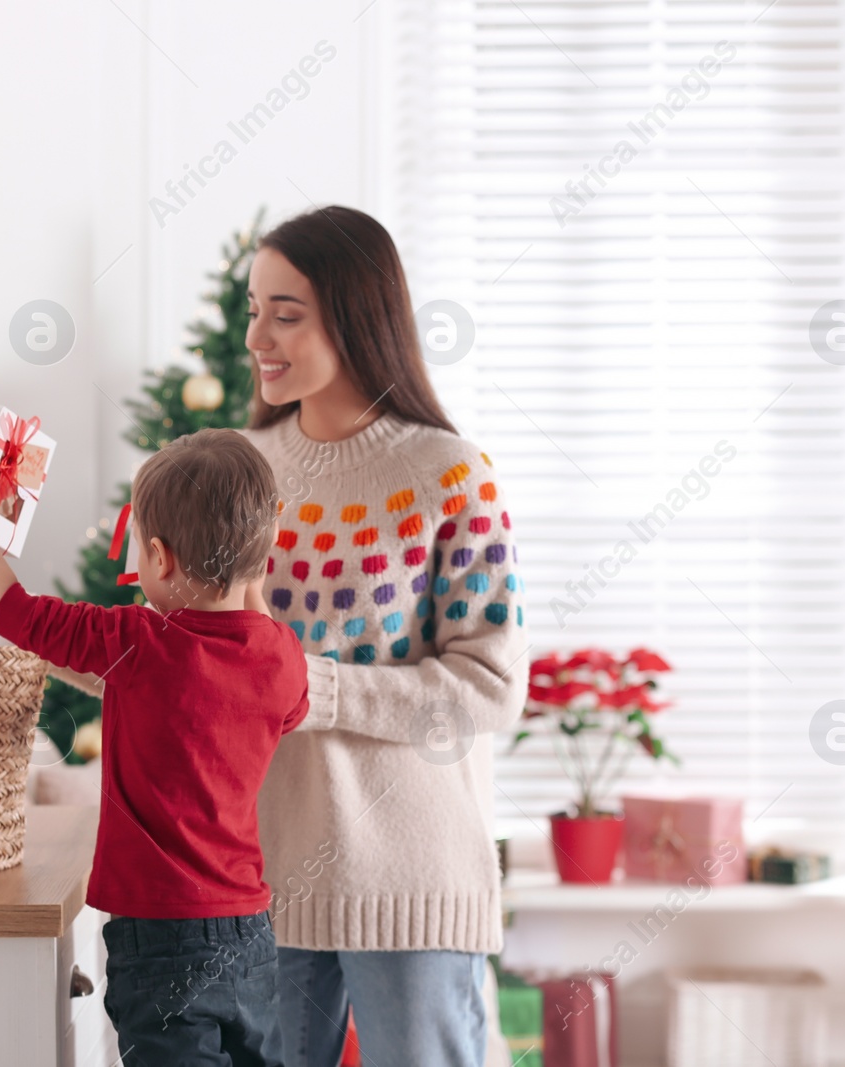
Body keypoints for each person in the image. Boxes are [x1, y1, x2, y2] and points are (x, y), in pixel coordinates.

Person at [0, 428, 308, 1067]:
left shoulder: (139, 642)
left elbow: (16, 612)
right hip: (250, 934)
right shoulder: (282, 656)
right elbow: (275, 704)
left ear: (159, 556)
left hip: (161, 935)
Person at [240, 205, 530, 1067]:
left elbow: (489, 686)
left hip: (412, 880)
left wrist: (309, 684)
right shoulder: (241, 470)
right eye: (253, 308)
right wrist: (6, 611)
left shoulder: (450, 474)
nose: (260, 335)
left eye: (286, 314)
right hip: (263, 876)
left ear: (358, 317)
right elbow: (186, 662)